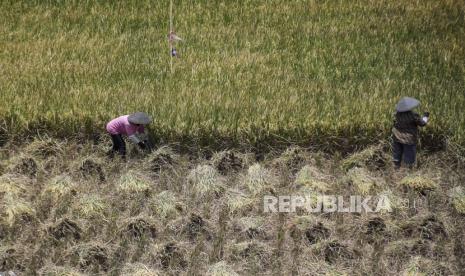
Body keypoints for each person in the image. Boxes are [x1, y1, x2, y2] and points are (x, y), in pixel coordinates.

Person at [392, 97, 429, 169]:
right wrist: (425, 116)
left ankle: (396, 169)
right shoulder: (413, 115)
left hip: (397, 137)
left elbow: (394, 123)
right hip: (408, 139)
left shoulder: (396, 114)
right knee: (409, 156)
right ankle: (408, 171)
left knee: (397, 155)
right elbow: (422, 123)